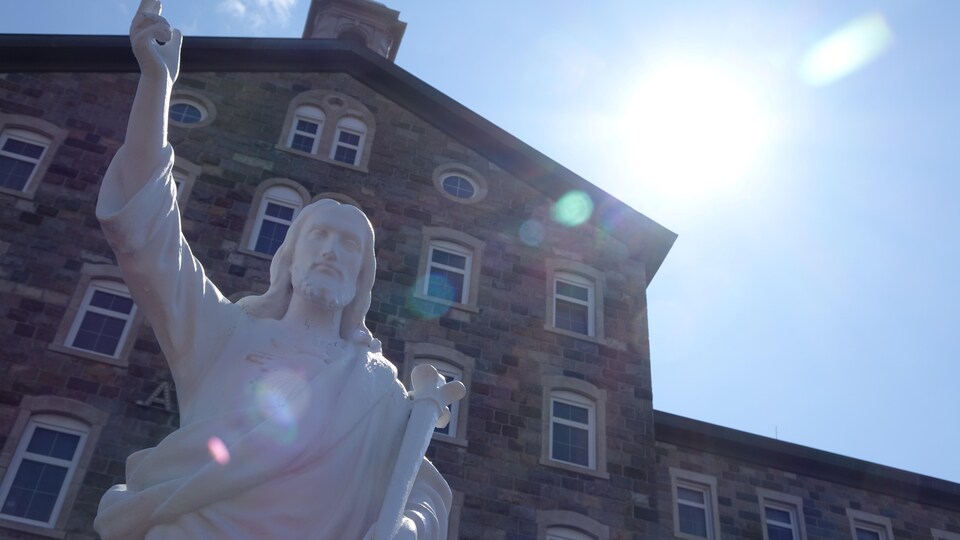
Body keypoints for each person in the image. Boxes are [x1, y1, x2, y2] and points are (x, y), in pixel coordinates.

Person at [93, 1, 452, 538]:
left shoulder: (378, 390)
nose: (332, 250)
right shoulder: (223, 333)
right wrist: (157, 86)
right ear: (289, 257)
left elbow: (424, 491)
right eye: (319, 236)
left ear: (364, 276)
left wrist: (408, 527)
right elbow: (148, 235)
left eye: (350, 245)